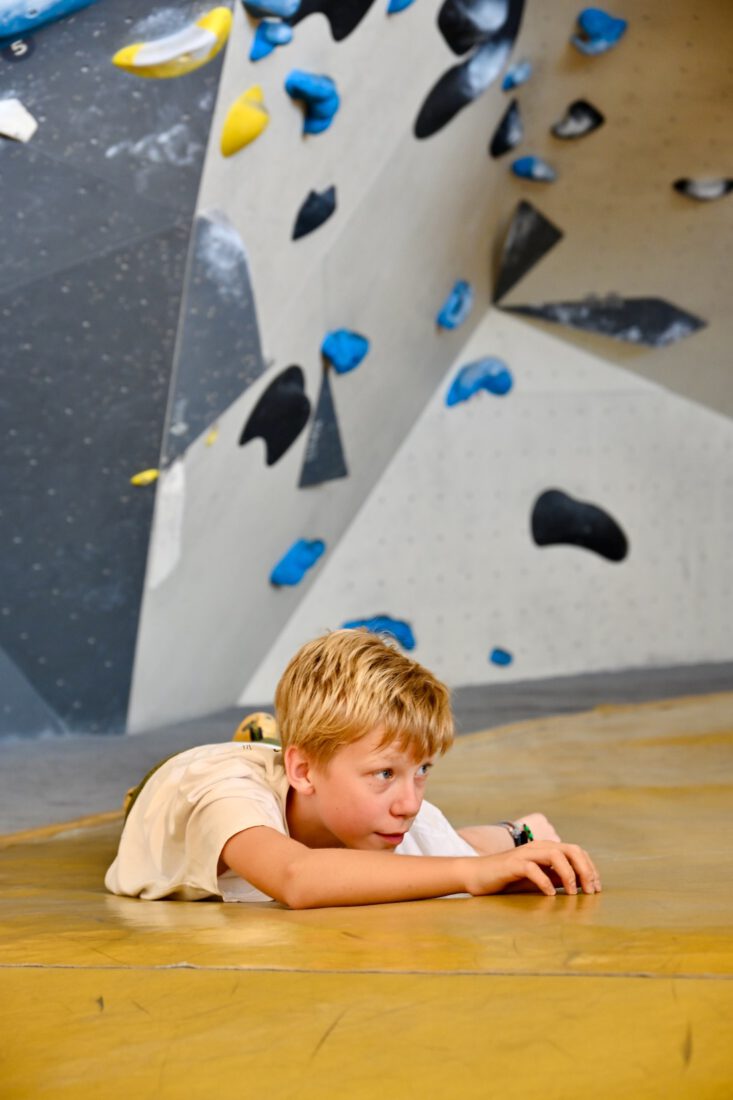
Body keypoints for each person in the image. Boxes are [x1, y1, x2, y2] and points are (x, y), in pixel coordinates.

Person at [105, 629, 601, 908]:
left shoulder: (387, 808)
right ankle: (258, 740)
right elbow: (296, 877)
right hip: (179, 784)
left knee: (430, 844)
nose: (410, 803)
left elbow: (449, 853)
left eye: (423, 769)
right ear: (303, 771)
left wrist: (518, 849)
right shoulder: (223, 795)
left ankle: (270, 738)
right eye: (385, 773)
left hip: (303, 773)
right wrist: (474, 873)